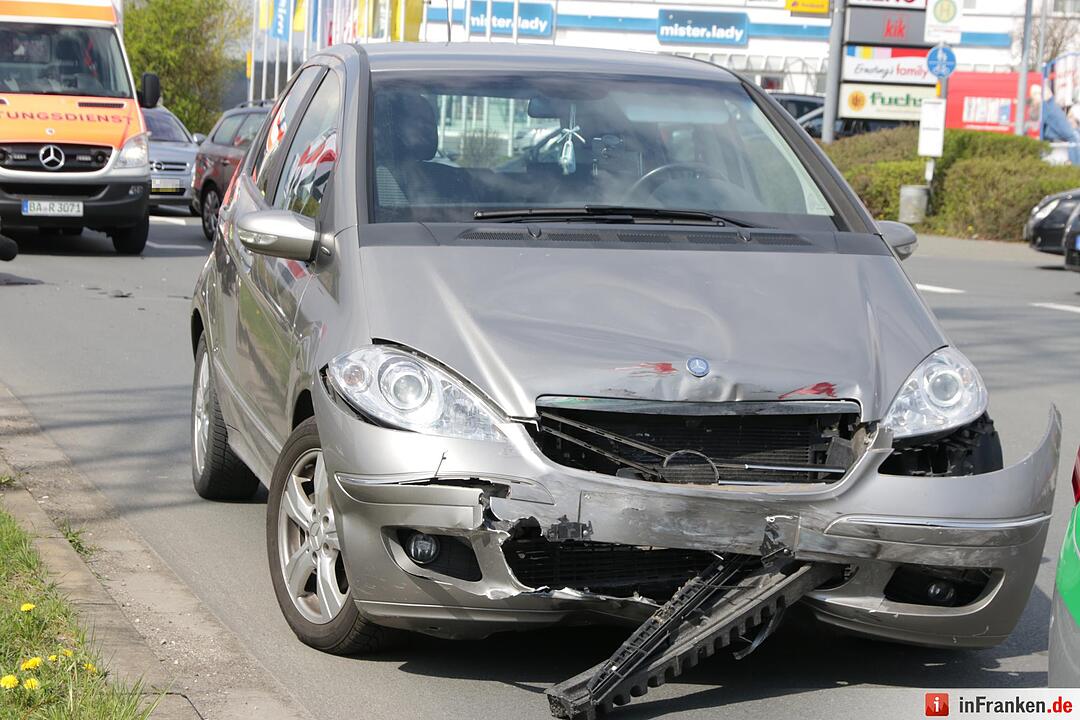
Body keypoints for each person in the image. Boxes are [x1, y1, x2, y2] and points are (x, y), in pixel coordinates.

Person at [1032, 84, 1080, 165]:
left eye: (1036, 95)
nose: (1034, 99)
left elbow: (1069, 134)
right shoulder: (1051, 108)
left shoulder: (1049, 109)